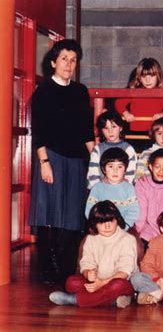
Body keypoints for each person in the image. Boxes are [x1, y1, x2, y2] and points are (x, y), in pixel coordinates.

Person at [29, 39, 95, 283]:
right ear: (54, 62)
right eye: (64, 59)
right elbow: (39, 131)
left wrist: (98, 157)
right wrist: (44, 162)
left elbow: (86, 131)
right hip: (52, 157)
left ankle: (66, 270)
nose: (69, 64)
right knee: (50, 213)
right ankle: (48, 270)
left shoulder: (80, 91)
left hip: (78, 159)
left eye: (73, 59)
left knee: (73, 215)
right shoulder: (43, 92)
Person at [49, 201, 138, 308]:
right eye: (101, 223)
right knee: (71, 282)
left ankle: (74, 300)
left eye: (111, 221)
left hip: (120, 281)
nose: (107, 226)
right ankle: (112, 301)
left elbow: (125, 272)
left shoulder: (128, 239)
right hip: (97, 282)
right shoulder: (91, 238)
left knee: (118, 286)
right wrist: (88, 273)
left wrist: (102, 283)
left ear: (117, 220)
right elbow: (86, 262)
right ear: (94, 224)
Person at [115, 57, 163, 152]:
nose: (148, 80)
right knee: (134, 154)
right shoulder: (134, 92)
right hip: (134, 132)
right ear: (139, 78)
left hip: (154, 133)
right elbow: (119, 103)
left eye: (151, 76)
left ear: (158, 76)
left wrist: (162, 114)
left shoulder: (162, 93)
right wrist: (125, 113)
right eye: (144, 76)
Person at [85, 148, 139, 229]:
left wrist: (123, 226)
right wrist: (100, 226)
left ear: (125, 170)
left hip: (122, 228)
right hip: (101, 228)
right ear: (103, 169)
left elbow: (134, 212)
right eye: (110, 166)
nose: (115, 170)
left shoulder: (129, 188)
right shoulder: (97, 188)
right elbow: (89, 211)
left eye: (120, 167)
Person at [87, 110, 137, 189]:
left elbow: (130, 175)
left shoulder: (128, 149)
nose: (110, 131)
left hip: (122, 189)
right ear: (101, 130)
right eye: (106, 128)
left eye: (114, 126)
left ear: (120, 128)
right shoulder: (97, 149)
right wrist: (98, 189)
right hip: (101, 189)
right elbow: (93, 174)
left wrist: (121, 188)